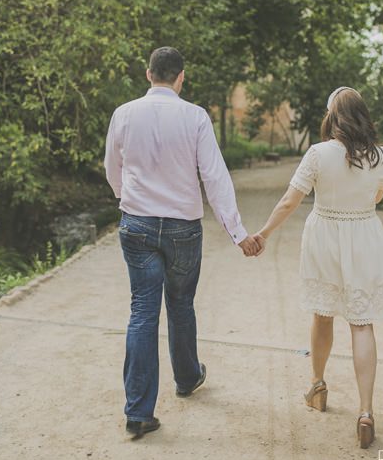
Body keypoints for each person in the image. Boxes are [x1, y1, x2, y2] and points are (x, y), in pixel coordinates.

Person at [104, 46, 264, 438]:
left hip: (137, 225)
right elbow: (214, 176)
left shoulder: (123, 114)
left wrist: (127, 198)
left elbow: (113, 167)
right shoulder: (195, 116)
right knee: (180, 304)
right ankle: (188, 378)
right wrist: (238, 233)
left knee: (143, 311)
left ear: (148, 74)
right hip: (182, 228)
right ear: (181, 78)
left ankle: (138, 412)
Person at [253, 86, 383, 449]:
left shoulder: (317, 154)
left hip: (324, 238)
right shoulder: (380, 155)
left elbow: (290, 201)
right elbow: (377, 196)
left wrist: (264, 233)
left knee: (322, 315)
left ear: (332, 117)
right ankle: (365, 412)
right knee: (362, 323)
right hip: (364, 236)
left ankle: (317, 385)